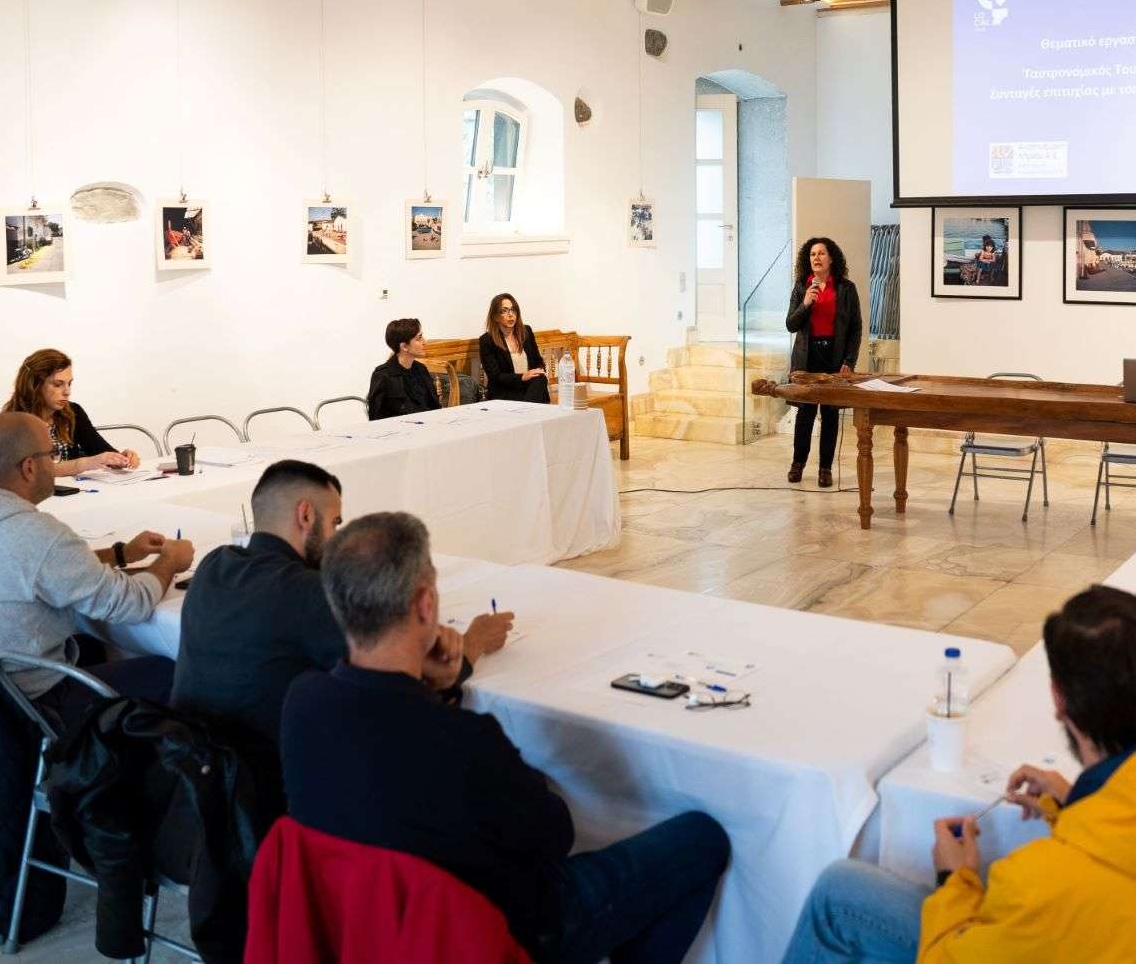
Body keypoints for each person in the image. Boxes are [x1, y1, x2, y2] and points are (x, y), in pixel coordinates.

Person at [281, 511, 730, 964]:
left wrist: (436, 686)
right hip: (507, 930)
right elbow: (555, 836)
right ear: (425, 605)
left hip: (367, 928)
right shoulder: (461, 739)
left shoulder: (301, 703)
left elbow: (387, 731)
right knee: (701, 840)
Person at [780, 586, 1136, 963]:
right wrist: (1077, 810)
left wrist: (954, 879)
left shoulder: (1040, 884)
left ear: (1058, 700)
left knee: (840, 891)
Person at [171, 461, 510, 767]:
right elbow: (404, 685)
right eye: (334, 523)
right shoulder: (309, 591)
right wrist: (472, 644)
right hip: (267, 788)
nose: (335, 539)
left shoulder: (214, 565)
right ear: (305, 515)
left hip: (190, 767)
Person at [0, 413, 190, 714]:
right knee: (169, 673)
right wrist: (170, 560)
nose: (55, 463)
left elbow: (35, 567)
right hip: (11, 711)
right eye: (52, 454)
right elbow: (130, 604)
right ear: (29, 467)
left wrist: (120, 554)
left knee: (87, 646)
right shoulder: (35, 533)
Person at [784, 237, 863, 489]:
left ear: (831, 259)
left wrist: (849, 360)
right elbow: (790, 325)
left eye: (821, 254)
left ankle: (825, 469)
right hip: (806, 357)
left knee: (829, 415)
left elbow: (855, 328)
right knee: (805, 415)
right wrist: (806, 303)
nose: (816, 258)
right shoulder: (801, 287)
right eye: (812, 254)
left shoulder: (846, 288)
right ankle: (798, 464)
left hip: (834, 357)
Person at [6, 348, 140, 477]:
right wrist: (85, 463)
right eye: (58, 384)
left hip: (74, 495)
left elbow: (99, 449)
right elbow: (33, 470)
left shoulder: (73, 412)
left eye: (69, 384)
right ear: (34, 385)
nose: (67, 392)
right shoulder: (12, 422)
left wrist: (120, 459)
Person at [479, 293, 551, 404]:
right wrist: (522, 377)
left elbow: (538, 361)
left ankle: (524, 412)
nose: (511, 314)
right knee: (537, 394)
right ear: (495, 316)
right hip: (505, 391)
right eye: (504, 311)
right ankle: (527, 413)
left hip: (528, 388)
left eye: (513, 310)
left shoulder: (526, 332)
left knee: (540, 379)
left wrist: (541, 371)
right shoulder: (487, 340)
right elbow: (495, 377)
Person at [366, 318, 443, 420]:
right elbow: (376, 418)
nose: (425, 341)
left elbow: (435, 407)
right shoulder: (382, 376)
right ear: (404, 346)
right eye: (419, 338)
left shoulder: (421, 369)